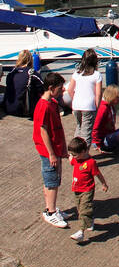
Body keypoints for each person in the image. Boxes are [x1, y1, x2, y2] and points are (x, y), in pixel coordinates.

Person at [32, 73, 69, 227]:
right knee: (52, 180)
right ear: (51, 88)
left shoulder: (52, 102)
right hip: (49, 151)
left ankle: (50, 207)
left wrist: (63, 149)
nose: (63, 90)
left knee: (53, 179)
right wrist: (52, 153)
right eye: (60, 88)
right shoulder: (43, 106)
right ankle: (51, 212)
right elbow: (43, 130)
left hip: (56, 148)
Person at [67, 136, 108, 243]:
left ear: (84, 151)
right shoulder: (76, 159)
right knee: (80, 209)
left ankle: (81, 232)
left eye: (74, 154)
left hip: (87, 189)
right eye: (71, 154)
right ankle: (90, 221)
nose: (72, 157)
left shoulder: (90, 162)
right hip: (76, 189)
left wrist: (104, 183)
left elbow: (98, 174)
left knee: (84, 210)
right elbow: (71, 161)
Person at [66, 50, 103, 148]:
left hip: (77, 105)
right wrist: (97, 106)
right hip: (89, 106)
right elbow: (98, 94)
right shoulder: (97, 75)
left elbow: (70, 90)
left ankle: (73, 151)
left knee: (79, 128)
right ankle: (83, 154)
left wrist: (74, 100)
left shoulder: (76, 73)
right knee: (86, 132)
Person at [3, 49, 45, 117]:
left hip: (8, 109)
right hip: (24, 111)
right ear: (30, 60)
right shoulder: (31, 73)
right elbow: (43, 89)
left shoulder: (11, 73)